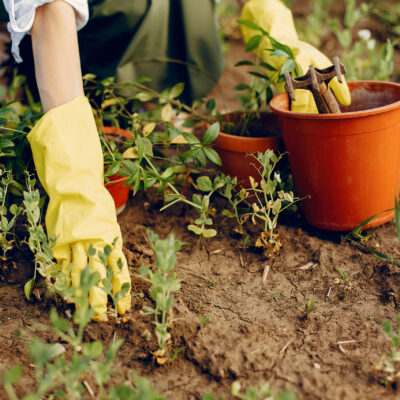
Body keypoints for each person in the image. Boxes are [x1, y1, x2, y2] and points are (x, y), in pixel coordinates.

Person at [0, 0, 349, 322]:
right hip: (66, 40)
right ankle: (98, 94)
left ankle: (152, 103)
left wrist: (278, 36)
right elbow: (49, 11)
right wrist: (76, 186)